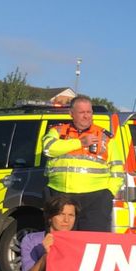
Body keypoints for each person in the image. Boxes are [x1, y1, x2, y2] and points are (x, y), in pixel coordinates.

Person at [42, 95, 124, 232]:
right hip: (61, 194)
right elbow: (48, 148)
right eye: (82, 112)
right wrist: (80, 142)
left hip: (95, 198)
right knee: (60, 242)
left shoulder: (106, 137)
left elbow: (118, 167)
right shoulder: (57, 131)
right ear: (71, 114)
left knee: (93, 242)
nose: (87, 116)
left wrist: (109, 192)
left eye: (89, 112)